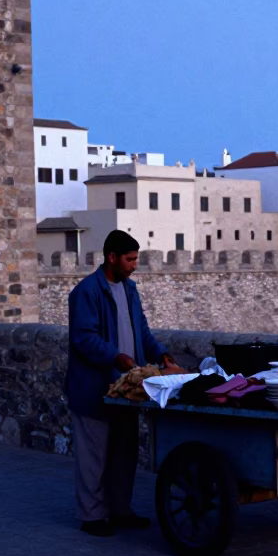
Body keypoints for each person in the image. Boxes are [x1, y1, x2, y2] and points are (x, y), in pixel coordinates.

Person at [66, 230, 175, 537]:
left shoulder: (130, 290)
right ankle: (92, 516)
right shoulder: (86, 292)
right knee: (94, 455)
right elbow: (83, 338)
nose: (134, 265)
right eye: (129, 259)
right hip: (94, 388)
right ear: (111, 257)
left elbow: (142, 330)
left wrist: (161, 354)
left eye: (136, 259)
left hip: (127, 389)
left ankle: (120, 510)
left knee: (124, 452)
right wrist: (116, 357)